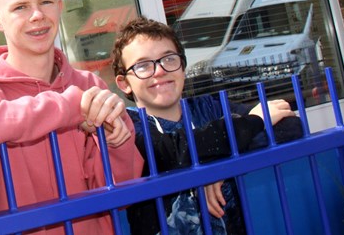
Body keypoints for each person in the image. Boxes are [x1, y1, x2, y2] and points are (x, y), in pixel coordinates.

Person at [0, 0, 144, 234]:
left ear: (59, 7)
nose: (37, 15)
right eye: (20, 7)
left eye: (46, 2)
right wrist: (68, 106)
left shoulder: (89, 85)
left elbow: (120, 190)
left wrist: (116, 144)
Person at [111, 15, 302, 235]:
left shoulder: (209, 108)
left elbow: (290, 126)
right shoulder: (127, 127)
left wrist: (220, 163)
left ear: (182, 67)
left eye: (169, 59)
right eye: (143, 65)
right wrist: (246, 129)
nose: (160, 70)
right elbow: (172, 152)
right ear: (124, 83)